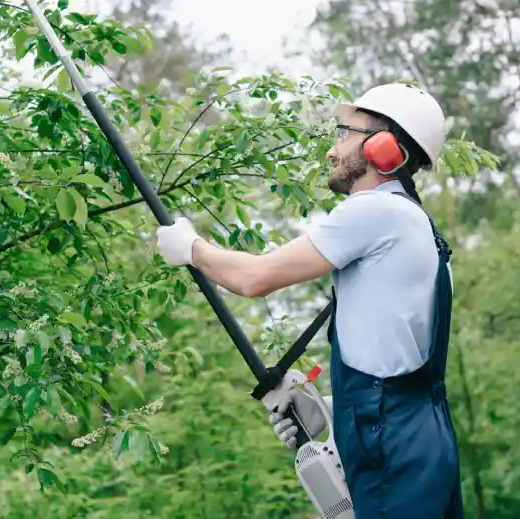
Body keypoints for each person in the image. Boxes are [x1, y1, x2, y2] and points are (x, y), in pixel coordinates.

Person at [154, 82, 465, 518]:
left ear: (383, 148)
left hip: (391, 446)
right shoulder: (417, 227)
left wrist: (191, 248)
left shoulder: (376, 212)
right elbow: (398, 361)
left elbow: (254, 278)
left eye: (344, 133)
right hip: (418, 439)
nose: (331, 151)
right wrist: (336, 410)